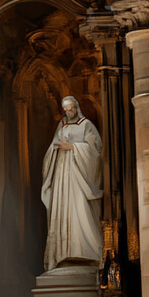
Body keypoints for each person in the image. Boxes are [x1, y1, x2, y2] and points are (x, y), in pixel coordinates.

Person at [41, 96, 103, 271]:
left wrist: (74, 147)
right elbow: (53, 146)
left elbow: (95, 150)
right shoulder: (61, 125)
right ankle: (62, 254)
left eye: (71, 108)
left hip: (79, 173)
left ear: (77, 107)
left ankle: (87, 252)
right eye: (66, 109)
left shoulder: (86, 125)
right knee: (62, 211)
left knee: (80, 208)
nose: (69, 112)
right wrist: (56, 147)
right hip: (62, 173)